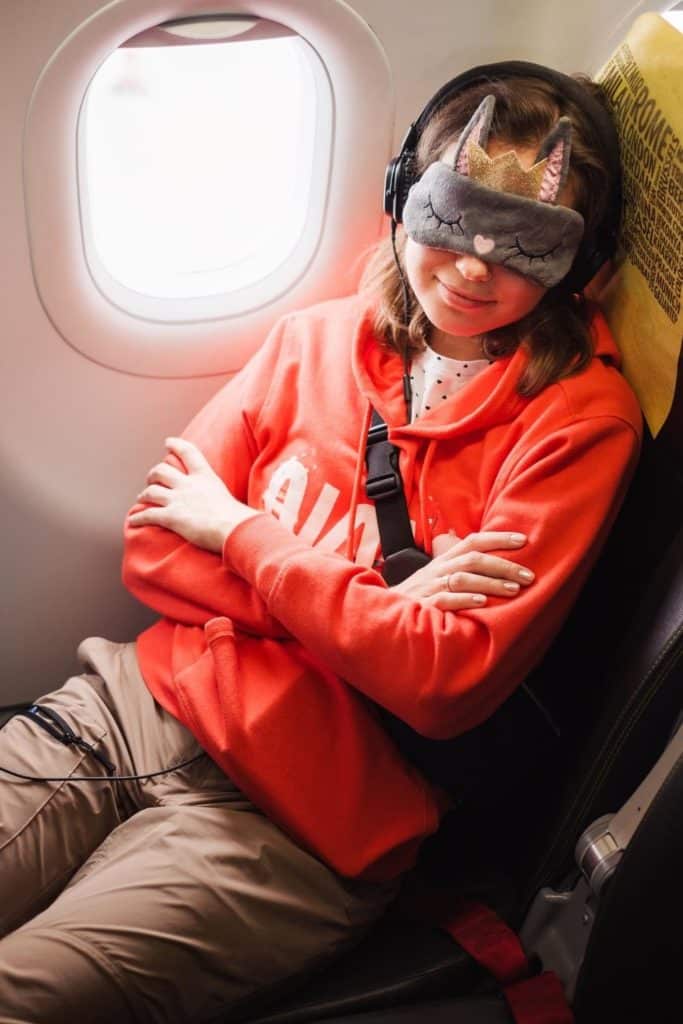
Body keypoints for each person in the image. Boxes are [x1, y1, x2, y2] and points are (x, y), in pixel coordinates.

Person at [0, 63, 641, 1023]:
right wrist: (369, 612)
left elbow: (440, 684)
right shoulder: (315, 339)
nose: (473, 267)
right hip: (130, 713)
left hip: (301, 824)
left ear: (580, 263)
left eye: (524, 245)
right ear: (401, 197)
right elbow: (152, 544)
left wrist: (240, 533)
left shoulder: (579, 425)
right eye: (452, 219)